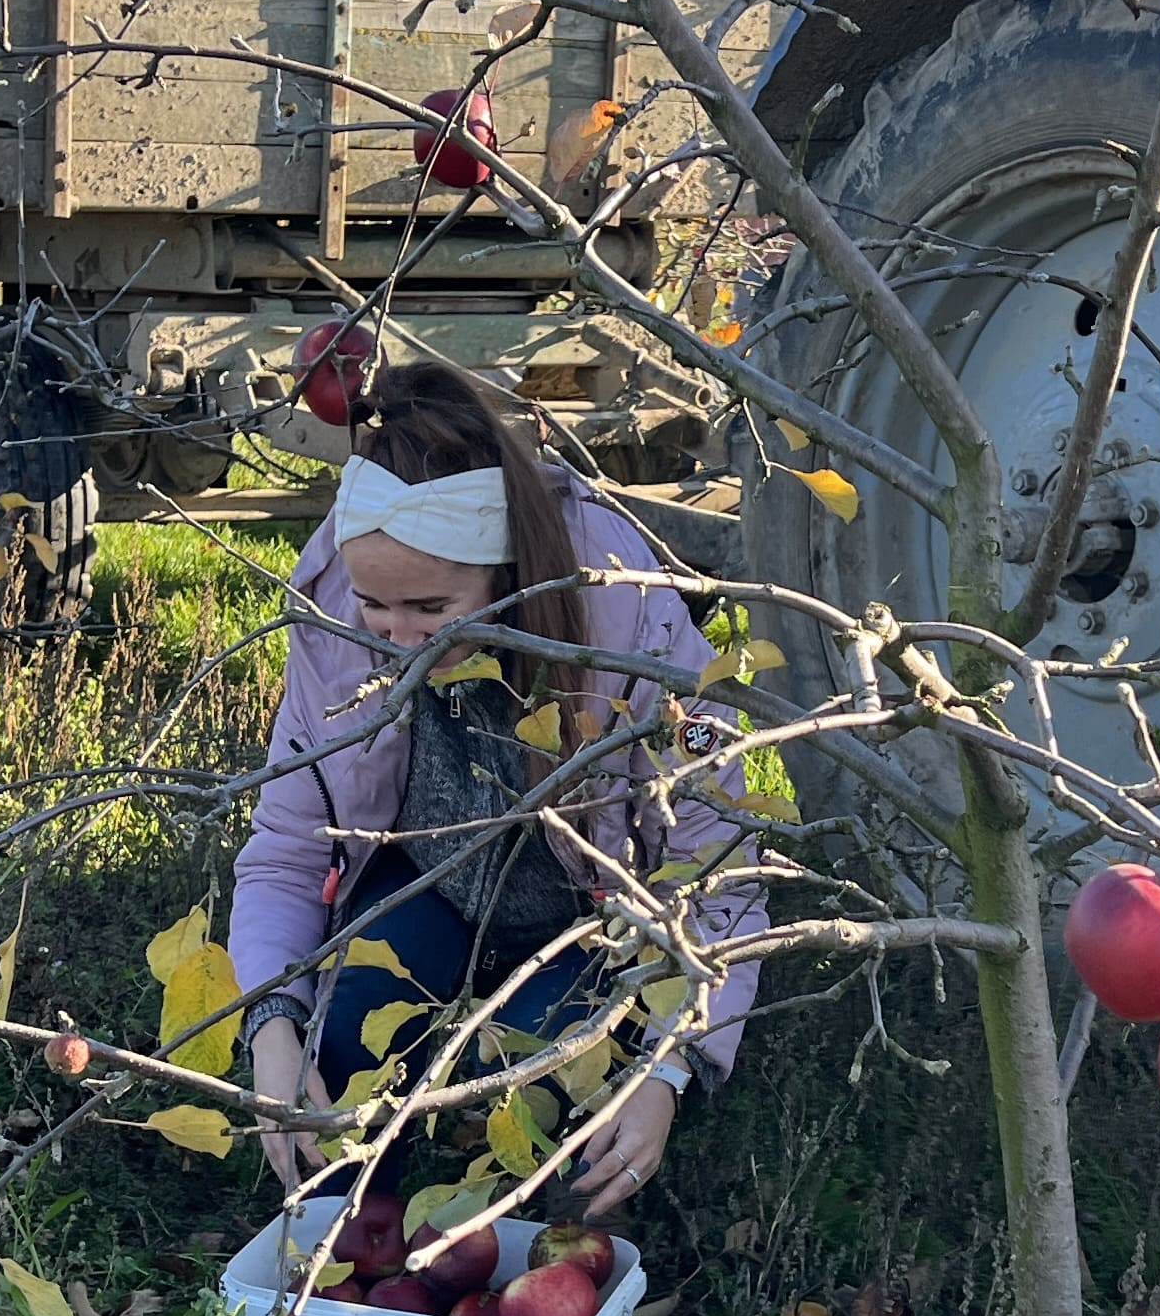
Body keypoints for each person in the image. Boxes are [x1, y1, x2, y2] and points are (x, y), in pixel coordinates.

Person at [230, 362, 766, 1220]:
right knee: (329, 1059)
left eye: (431, 608)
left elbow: (718, 871)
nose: (398, 638)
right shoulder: (333, 625)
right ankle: (358, 1239)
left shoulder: (630, 621)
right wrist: (272, 1029)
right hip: (427, 892)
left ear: (506, 573)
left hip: (592, 923)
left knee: (563, 1131)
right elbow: (288, 853)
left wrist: (669, 1066)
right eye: (377, 605)